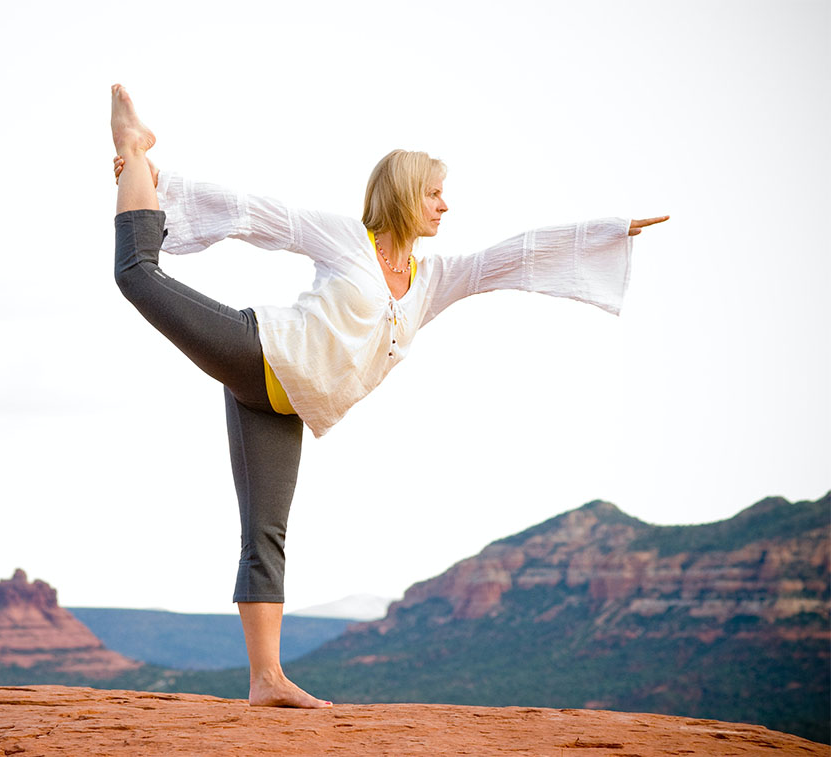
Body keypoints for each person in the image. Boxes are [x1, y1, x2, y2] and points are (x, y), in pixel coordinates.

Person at [109, 83, 668, 709]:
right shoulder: (348, 239)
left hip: (283, 403)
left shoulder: (435, 281)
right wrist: (154, 179)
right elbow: (256, 213)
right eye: (434, 193)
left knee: (265, 533)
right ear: (404, 193)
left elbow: (516, 256)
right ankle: (132, 146)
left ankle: (266, 681)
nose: (445, 206)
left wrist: (608, 231)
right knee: (137, 275)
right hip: (258, 349)